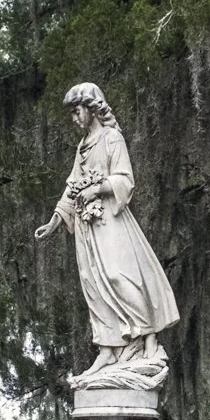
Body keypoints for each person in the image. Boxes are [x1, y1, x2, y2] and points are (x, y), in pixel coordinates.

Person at [35, 83, 180, 387]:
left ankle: (147, 339)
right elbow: (72, 185)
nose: (74, 119)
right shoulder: (83, 146)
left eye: (77, 111)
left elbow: (125, 180)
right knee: (94, 284)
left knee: (118, 275)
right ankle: (108, 348)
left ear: (90, 107)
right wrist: (55, 221)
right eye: (72, 114)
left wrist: (96, 189)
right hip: (87, 228)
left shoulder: (112, 138)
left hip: (109, 220)